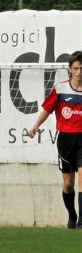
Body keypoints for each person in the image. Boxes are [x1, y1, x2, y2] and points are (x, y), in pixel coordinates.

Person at [29, 50, 82, 229]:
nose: (79, 72)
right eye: (76, 68)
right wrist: (36, 126)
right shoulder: (60, 88)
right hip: (65, 139)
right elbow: (47, 109)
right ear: (69, 69)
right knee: (68, 183)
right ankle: (72, 215)